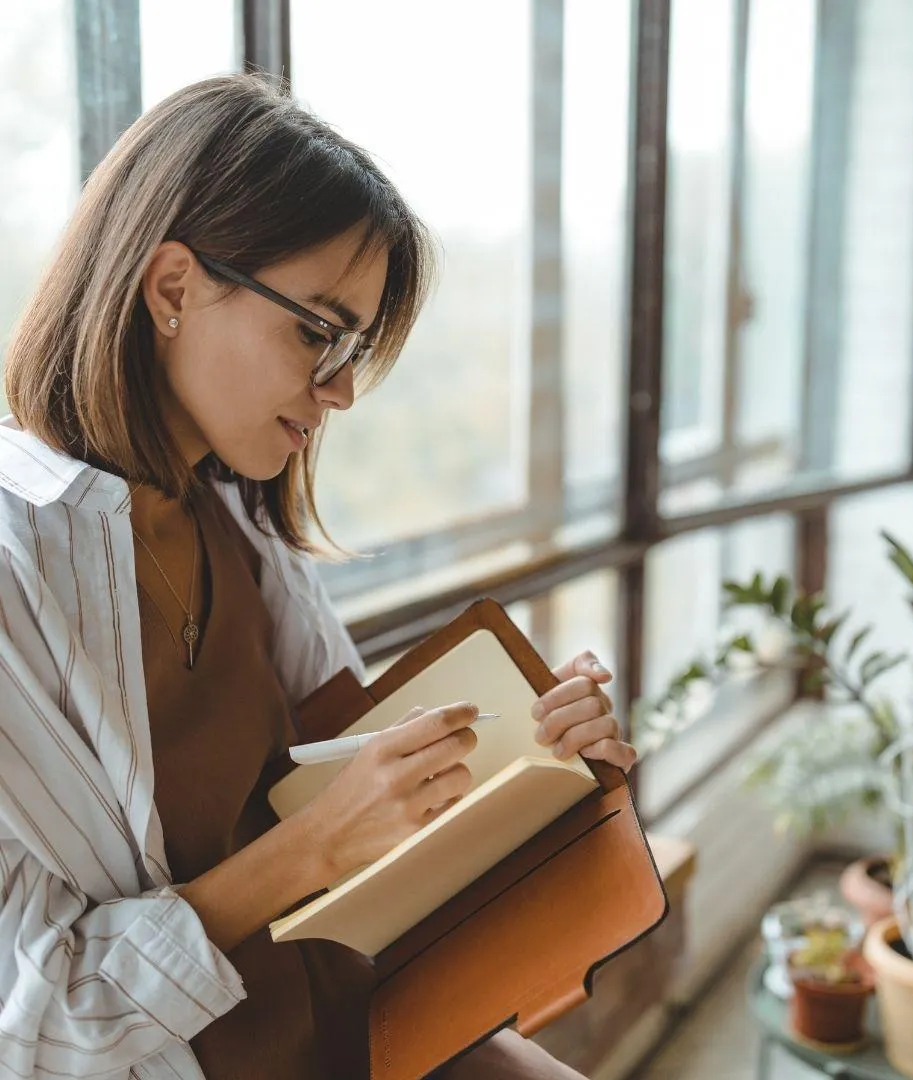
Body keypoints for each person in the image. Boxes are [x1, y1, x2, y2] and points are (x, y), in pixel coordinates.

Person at [0, 73, 637, 1079]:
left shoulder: (236, 517)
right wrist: (312, 851)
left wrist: (544, 751)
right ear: (172, 287)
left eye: (357, 348)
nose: (340, 390)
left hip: (373, 1018)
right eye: (317, 332)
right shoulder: (13, 575)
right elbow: (29, 1023)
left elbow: (366, 774)